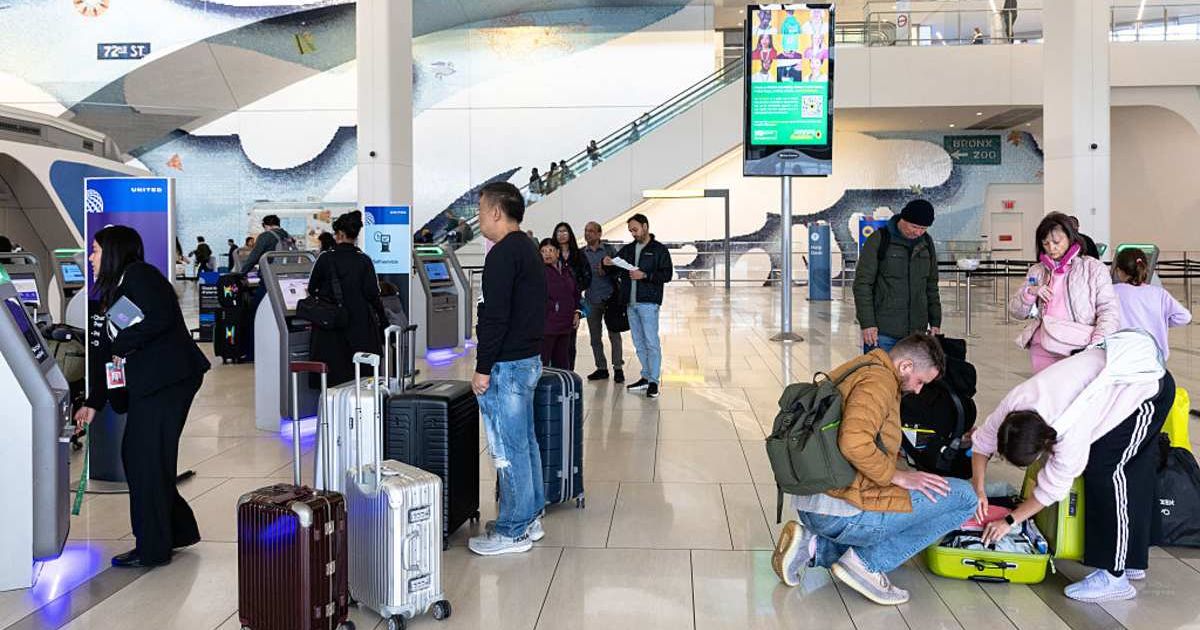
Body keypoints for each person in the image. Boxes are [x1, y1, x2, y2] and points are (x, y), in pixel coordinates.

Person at [970, 331, 1175, 602]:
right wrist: (979, 489)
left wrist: (1010, 520)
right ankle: (1129, 557)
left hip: (1145, 388)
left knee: (1108, 474)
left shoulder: (1068, 430)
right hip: (1117, 375)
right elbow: (981, 444)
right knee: (1124, 473)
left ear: (1045, 446)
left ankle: (1114, 576)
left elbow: (1051, 490)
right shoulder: (1014, 406)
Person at [772, 334, 975, 606]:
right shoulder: (878, 383)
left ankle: (812, 548)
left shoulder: (865, 366)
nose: (917, 390)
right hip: (839, 511)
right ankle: (867, 564)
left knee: (925, 489)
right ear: (905, 367)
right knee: (964, 497)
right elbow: (854, 442)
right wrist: (898, 476)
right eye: (920, 381)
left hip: (820, 500)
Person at [76, 225, 210, 568]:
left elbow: (159, 319)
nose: (90, 258)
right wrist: (93, 402)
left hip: (168, 382)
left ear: (114, 252)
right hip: (153, 383)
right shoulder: (115, 290)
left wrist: (123, 344)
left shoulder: (140, 276)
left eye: (95, 251)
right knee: (146, 459)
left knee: (144, 459)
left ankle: (153, 548)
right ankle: (175, 531)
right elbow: (108, 353)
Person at [470, 182, 547, 556]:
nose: (479, 216)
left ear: (497, 211)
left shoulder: (502, 254)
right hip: (528, 359)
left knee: (507, 447)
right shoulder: (527, 248)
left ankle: (513, 529)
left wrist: (482, 369)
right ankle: (529, 517)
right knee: (525, 443)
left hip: (508, 365)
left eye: (482, 209)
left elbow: (495, 317)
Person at [1007, 212, 1119, 373]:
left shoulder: (1093, 268)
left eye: (1056, 242)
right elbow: (1015, 311)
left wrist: (1098, 343)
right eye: (1045, 243)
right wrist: (1031, 292)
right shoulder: (1037, 271)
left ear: (1070, 237)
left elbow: (1108, 310)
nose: (1051, 248)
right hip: (1043, 346)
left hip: (1080, 346)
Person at [306, 212, 387, 387]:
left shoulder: (325, 258)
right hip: (360, 326)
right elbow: (372, 293)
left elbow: (312, 289)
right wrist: (383, 320)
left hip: (331, 326)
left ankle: (333, 410)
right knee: (360, 375)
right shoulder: (364, 260)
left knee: (333, 376)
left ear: (340, 234)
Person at [853, 199, 942, 354]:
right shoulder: (879, 239)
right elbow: (862, 284)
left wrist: (935, 321)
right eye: (914, 226)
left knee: (910, 378)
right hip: (883, 331)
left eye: (923, 228)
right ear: (903, 219)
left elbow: (931, 285)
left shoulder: (926, 243)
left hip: (916, 333)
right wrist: (867, 324)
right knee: (880, 376)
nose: (918, 232)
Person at [603, 213, 672, 399]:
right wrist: (609, 263)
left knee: (651, 342)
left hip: (648, 303)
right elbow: (616, 266)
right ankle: (646, 375)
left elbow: (667, 275)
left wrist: (645, 276)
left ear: (645, 226)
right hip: (630, 303)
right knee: (638, 342)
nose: (633, 233)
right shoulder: (628, 249)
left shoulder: (659, 250)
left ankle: (654, 382)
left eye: (635, 229)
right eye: (630, 231)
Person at [1113, 247, 1191, 360]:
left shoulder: (1112, 291)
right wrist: (1161, 321)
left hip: (1122, 356)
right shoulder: (1159, 293)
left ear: (1119, 270)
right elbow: (1185, 317)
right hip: (1154, 358)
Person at [581, 221, 624, 383]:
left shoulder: (608, 250)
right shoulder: (581, 253)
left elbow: (620, 268)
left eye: (591, 231)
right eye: (586, 231)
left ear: (599, 234)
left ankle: (618, 368)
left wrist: (607, 269)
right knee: (594, 337)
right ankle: (601, 368)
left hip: (611, 298)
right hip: (592, 299)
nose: (587, 234)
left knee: (614, 335)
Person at [554, 222, 591, 370]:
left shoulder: (579, 255)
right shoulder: (552, 253)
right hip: (554, 303)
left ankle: (569, 373)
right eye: (558, 232)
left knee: (570, 342)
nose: (561, 234)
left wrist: (574, 288)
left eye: (564, 231)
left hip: (572, 302)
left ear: (570, 234)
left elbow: (587, 277)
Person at [539, 238, 580, 369]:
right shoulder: (538, 272)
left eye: (550, 250)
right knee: (543, 363)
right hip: (547, 326)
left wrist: (577, 312)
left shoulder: (567, 271)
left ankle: (561, 388)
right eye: (543, 251)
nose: (547, 254)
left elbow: (575, 294)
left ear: (558, 252)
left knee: (563, 363)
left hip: (565, 325)